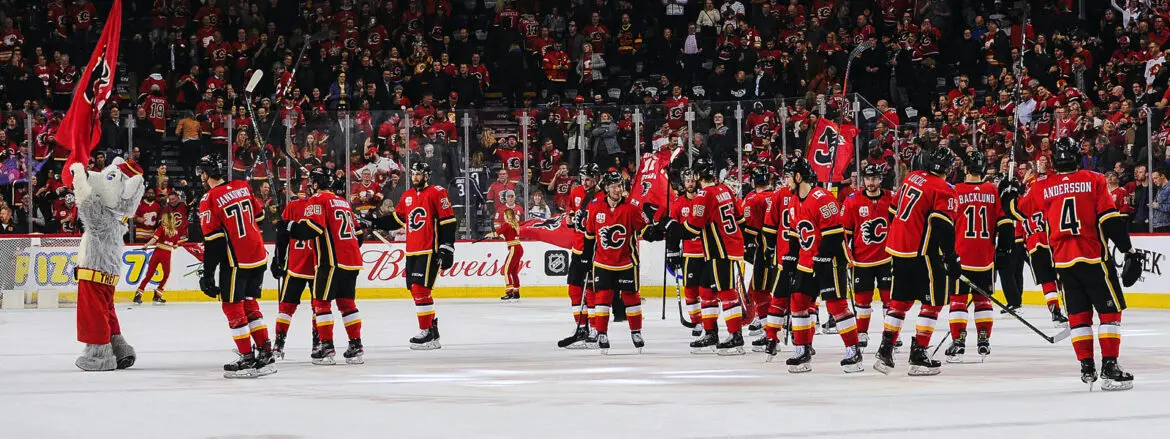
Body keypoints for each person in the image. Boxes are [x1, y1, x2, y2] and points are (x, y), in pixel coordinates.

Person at [1005, 138, 1139, 391]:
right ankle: (1109, 367)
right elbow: (1109, 219)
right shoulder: (1094, 180)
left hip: (1063, 263)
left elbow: (1016, 210)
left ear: (1054, 160)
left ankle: (1086, 366)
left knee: (1078, 316)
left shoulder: (1042, 187)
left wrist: (1009, 191)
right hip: (1093, 258)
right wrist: (1128, 250)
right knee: (1109, 313)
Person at [875, 146, 960, 376]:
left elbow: (892, 211)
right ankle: (919, 355)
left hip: (898, 249)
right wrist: (951, 256)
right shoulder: (944, 189)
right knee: (932, 303)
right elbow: (943, 225)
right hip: (922, 252)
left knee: (899, 302)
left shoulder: (912, 177)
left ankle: (885, 350)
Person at [197, 157, 276, 378]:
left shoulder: (209, 198)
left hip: (236, 261)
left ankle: (247, 358)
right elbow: (260, 216)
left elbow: (214, 241)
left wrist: (208, 274)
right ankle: (265, 352)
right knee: (250, 304)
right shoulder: (243, 186)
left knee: (232, 307)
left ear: (206, 173)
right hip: (258, 256)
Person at [781, 158, 863, 373]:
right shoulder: (793, 202)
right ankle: (802, 349)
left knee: (836, 306)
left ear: (798, 177)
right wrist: (790, 258)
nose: (785, 181)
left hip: (831, 259)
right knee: (798, 301)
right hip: (807, 260)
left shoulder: (823, 198)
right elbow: (794, 235)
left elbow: (834, 234)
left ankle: (853, 350)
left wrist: (823, 259)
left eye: (788, 176)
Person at [661, 157, 748, 355]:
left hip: (720, 249)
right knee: (706, 289)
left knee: (725, 291)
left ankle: (736, 335)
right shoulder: (725, 189)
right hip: (725, 246)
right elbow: (740, 218)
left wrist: (670, 226)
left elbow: (692, 229)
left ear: (699, 175)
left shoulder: (704, 195)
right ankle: (711, 333)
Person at [369, 162, 457, 350]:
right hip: (412, 250)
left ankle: (426, 331)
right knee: (416, 290)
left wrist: (447, 247)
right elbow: (397, 219)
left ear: (427, 175)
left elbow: (448, 220)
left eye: (419, 174)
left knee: (420, 289)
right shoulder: (407, 195)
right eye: (413, 174)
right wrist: (375, 222)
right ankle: (432, 332)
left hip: (429, 249)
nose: (415, 177)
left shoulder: (437, 192)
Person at [285, 167, 366, 365]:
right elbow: (359, 234)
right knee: (347, 304)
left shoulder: (317, 199)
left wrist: (289, 226)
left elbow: (313, 228)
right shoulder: (343, 202)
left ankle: (327, 347)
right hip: (352, 261)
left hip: (330, 261)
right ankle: (356, 346)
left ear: (315, 183)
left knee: (321, 303)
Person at [945, 151, 1012, 363]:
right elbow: (1004, 223)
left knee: (958, 300)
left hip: (961, 255)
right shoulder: (991, 190)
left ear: (965, 169)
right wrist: (1004, 249)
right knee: (983, 300)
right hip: (985, 257)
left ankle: (958, 340)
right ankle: (984, 338)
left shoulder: (955, 191)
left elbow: (946, 224)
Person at [581, 170, 655, 354]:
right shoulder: (595, 207)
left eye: (619, 186)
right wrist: (585, 258)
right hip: (602, 262)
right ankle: (602, 333)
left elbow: (645, 231)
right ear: (606, 188)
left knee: (631, 297)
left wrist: (658, 228)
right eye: (613, 186)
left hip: (626, 262)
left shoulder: (631, 208)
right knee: (603, 297)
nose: (617, 189)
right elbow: (589, 236)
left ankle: (636, 332)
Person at [840, 164, 895, 351]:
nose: (871, 182)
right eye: (868, 178)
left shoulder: (892, 198)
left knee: (889, 300)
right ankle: (862, 332)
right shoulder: (852, 201)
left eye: (874, 178)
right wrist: (846, 255)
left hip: (887, 258)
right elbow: (845, 233)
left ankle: (890, 334)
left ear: (880, 179)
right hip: (861, 260)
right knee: (862, 301)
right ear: (863, 180)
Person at [556, 163, 605, 349]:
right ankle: (582, 328)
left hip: (594, 250)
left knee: (591, 291)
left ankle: (595, 330)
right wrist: (569, 219)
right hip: (577, 249)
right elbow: (571, 211)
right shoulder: (576, 192)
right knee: (574, 290)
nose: (585, 182)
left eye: (589, 179)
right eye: (584, 178)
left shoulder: (602, 197)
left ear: (597, 179)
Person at [270, 188, 317, 360]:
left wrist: (278, 259)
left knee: (286, 307)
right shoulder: (325, 204)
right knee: (319, 308)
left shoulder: (293, 206)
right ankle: (319, 343)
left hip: (297, 266)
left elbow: (282, 234)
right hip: (318, 265)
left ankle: (279, 343)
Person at [666, 169, 706, 340]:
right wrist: (672, 251)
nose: (690, 183)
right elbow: (673, 231)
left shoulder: (704, 199)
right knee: (690, 290)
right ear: (683, 183)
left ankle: (709, 322)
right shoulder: (678, 203)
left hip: (707, 253)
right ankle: (697, 322)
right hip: (690, 254)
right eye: (687, 180)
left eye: (692, 180)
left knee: (707, 291)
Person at [740, 167, 774, 342]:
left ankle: (770, 330)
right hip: (784, 249)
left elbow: (749, 230)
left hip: (765, 251)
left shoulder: (753, 199)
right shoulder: (778, 195)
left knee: (760, 291)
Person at [133, 213, 183, 305]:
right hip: (166, 255)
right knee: (166, 275)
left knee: (149, 275)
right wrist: (173, 244)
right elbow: (175, 246)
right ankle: (157, 295)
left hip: (157, 253)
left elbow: (154, 239)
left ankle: (138, 295)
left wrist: (146, 245)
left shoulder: (161, 228)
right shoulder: (175, 232)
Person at [487, 208, 524, 301]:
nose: (503, 216)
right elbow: (507, 235)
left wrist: (488, 235)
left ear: (508, 216)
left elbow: (496, 234)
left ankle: (509, 292)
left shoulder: (507, 224)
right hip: (518, 248)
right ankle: (516, 292)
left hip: (514, 248)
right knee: (513, 272)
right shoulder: (514, 224)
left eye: (504, 215)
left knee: (506, 271)